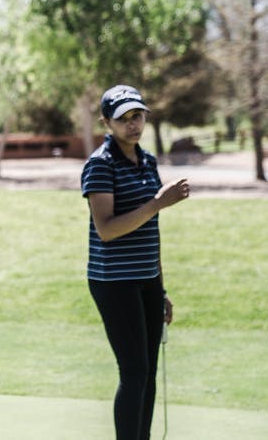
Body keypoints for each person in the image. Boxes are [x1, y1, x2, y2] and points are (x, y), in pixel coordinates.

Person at [81, 84, 190, 440]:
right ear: (106, 122)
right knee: (133, 371)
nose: (132, 124)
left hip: (147, 280)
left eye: (137, 116)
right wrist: (158, 202)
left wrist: (161, 287)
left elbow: (151, 230)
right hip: (113, 282)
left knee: (148, 371)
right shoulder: (100, 164)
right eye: (123, 118)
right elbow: (108, 229)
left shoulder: (148, 161)